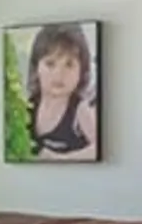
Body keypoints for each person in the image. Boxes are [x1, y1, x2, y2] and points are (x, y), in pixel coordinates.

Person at [21, 22, 98, 157]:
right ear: (36, 67)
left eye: (69, 65)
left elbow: (99, 147)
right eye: (50, 64)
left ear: (82, 71)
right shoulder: (28, 106)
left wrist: (62, 159)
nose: (59, 74)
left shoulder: (81, 110)